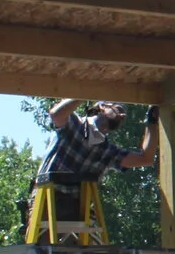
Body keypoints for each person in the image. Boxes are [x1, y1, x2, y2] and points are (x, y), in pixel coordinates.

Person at [33, 99, 158, 236]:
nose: (122, 116)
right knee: (43, 246)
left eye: (124, 116)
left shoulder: (107, 152)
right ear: (102, 107)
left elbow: (146, 159)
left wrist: (151, 121)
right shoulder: (73, 124)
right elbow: (56, 114)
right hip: (47, 200)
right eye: (118, 110)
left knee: (81, 248)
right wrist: (84, 93)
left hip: (77, 207)